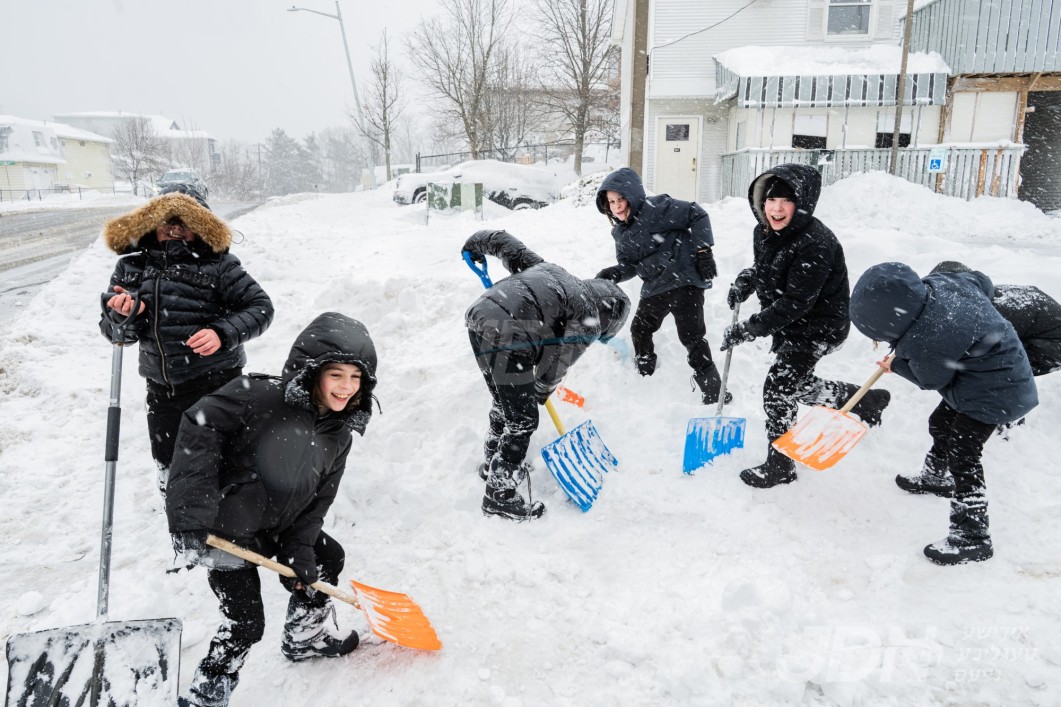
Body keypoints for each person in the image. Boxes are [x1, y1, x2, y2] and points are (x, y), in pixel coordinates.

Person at [166, 312, 378, 707]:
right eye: (336, 374)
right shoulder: (257, 396)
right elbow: (198, 423)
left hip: (279, 525)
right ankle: (207, 692)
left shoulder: (340, 433)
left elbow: (318, 502)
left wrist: (299, 548)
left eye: (356, 377)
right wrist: (191, 509)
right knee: (246, 624)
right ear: (312, 371)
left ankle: (304, 635)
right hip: (227, 529)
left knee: (326, 559)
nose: (346, 387)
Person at [850, 263, 1038, 565]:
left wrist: (895, 365)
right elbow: (982, 282)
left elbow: (930, 380)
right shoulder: (945, 284)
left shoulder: (927, 338)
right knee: (940, 423)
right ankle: (936, 476)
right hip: (991, 375)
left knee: (964, 453)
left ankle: (973, 536)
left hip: (996, 393)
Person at [720, 164, 891, 489]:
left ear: (803, 203)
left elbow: (796, 302)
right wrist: (749, 279)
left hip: (819, 327)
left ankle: (780, 465)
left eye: (786, 200)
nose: (777, 208)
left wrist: (749, 328)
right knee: (795, 385)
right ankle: (863, 399)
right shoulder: (765, 231)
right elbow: (767, 267)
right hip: (792, 325)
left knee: (779, 388)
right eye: (770, 200)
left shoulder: (816, 242)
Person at [99, 183, 273, 498]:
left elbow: (260, 308)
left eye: (186, 221)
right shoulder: (132, 267)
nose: (176, 229)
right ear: (152, 223)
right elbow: (117, 334)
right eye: (169, 221)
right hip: (162, 388)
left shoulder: (220, 265)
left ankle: (230, 520)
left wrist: (222, 333)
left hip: (217, 383)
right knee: (170, 462)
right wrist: (124, 314)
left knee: (224, 459)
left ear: (202, 224)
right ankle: (181, 523)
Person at [463, 230, 630, 521]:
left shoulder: (551, 270)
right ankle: (499, 496)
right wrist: (538, 393)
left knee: (505, 401)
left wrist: (476, 243)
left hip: (480, 318)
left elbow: (510, 248)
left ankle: (494, 463)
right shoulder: (589, 317)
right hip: (511, 335)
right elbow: (556, 365)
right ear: (609, 316)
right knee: (523, 418)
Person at [893, 260, 1061, 497]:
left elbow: (975, 359)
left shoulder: (980, 311)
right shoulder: (969, 298)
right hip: (1035, 330)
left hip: (1050, 345)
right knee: (971, 384)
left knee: (995, 378)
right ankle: (936, 470)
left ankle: (1006, 416)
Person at [593, 167, 725, 403]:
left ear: (633, 195)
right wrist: (614, 273)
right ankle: (646, 376)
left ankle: (714, 391)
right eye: (611, 201)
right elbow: (629, 265)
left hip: (684, 280)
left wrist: (704, 250)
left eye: (621, 199)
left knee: (691, 336)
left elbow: (697, 214)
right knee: (640, 329)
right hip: (655, 288)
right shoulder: (620, 234)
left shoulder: (658, 208)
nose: (617, 206)